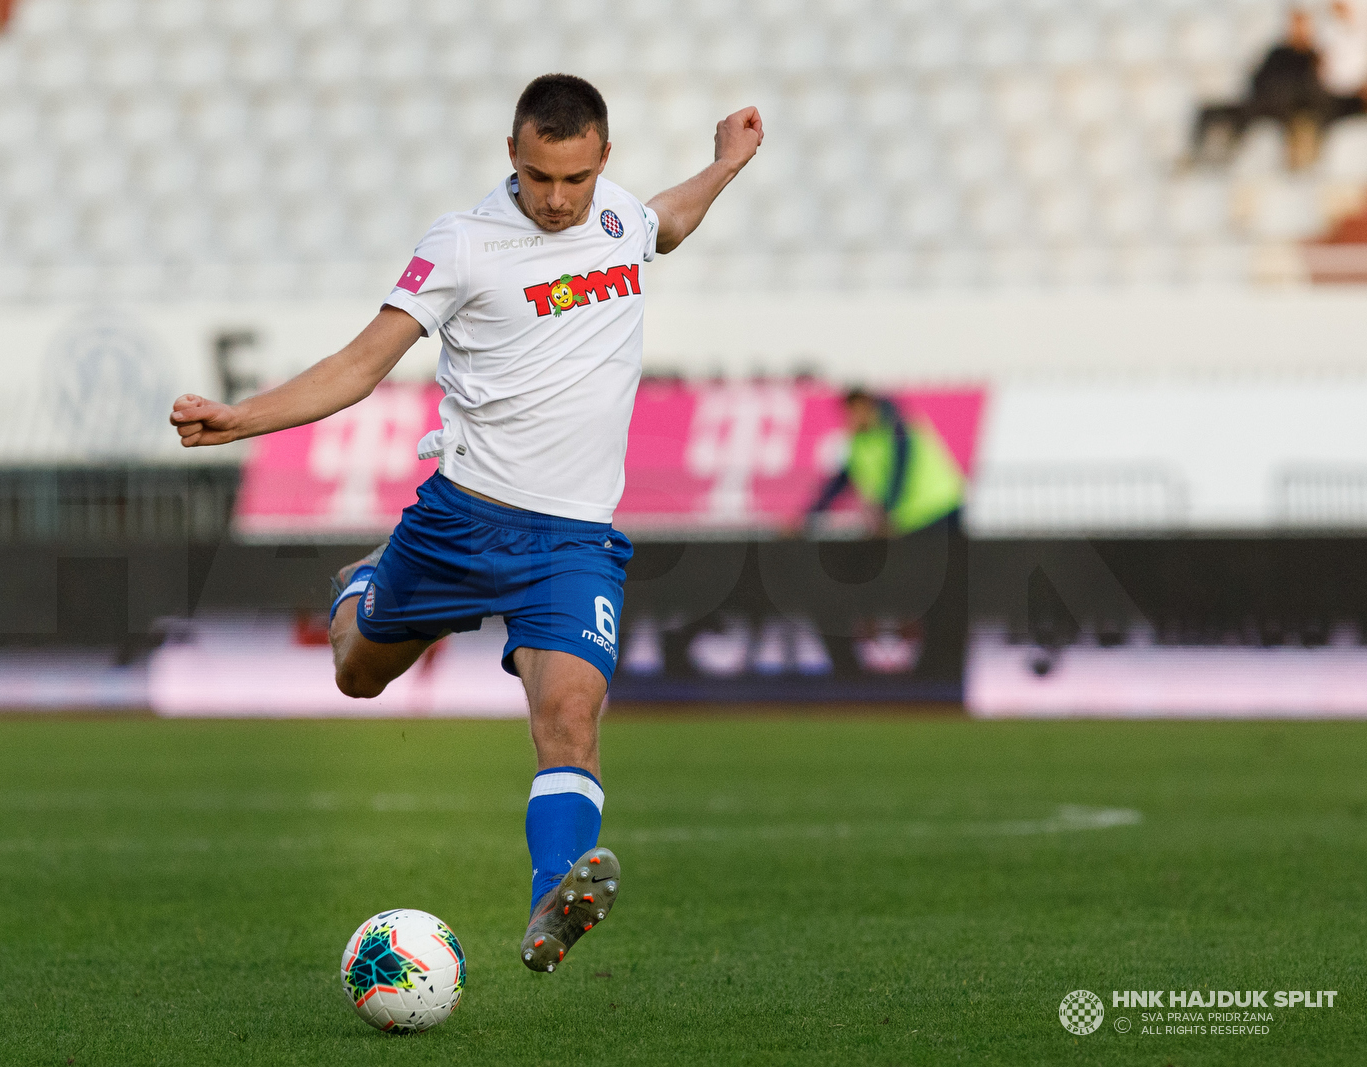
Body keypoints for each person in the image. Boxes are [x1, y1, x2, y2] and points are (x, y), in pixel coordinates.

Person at [169, 74, 762, 973]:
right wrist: (242, 418)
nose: (556, 200)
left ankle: (550, 902)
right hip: (462, 521)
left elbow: (665, 223)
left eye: (573, 179)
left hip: (572, 541)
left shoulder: (621, 219)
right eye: (536, 178)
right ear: (511, 157)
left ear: (604, 157)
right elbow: (362, 363)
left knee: (569, 714)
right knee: (357, 674)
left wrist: (724, 164)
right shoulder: (464, 243)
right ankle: (366, 583)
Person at [1188, 7, 1335, 170]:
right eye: (1294, 23)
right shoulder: (1277, 52)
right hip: (1261, 104)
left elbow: (1314, 92)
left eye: (1302, 24)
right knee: (1209, 110)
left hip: (1289, 112)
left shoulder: (1314, 57)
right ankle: (1202, 157)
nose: (1297, 29)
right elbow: (1256, 79)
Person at [804, 389, 963, 538]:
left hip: (940, 508)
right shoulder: (859, 442)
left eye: (857, 411)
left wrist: (885, 513)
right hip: (912, 518)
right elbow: (842, 481)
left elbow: (900, 473)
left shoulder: (898, 429)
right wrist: (811, 514)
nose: (852, 417)